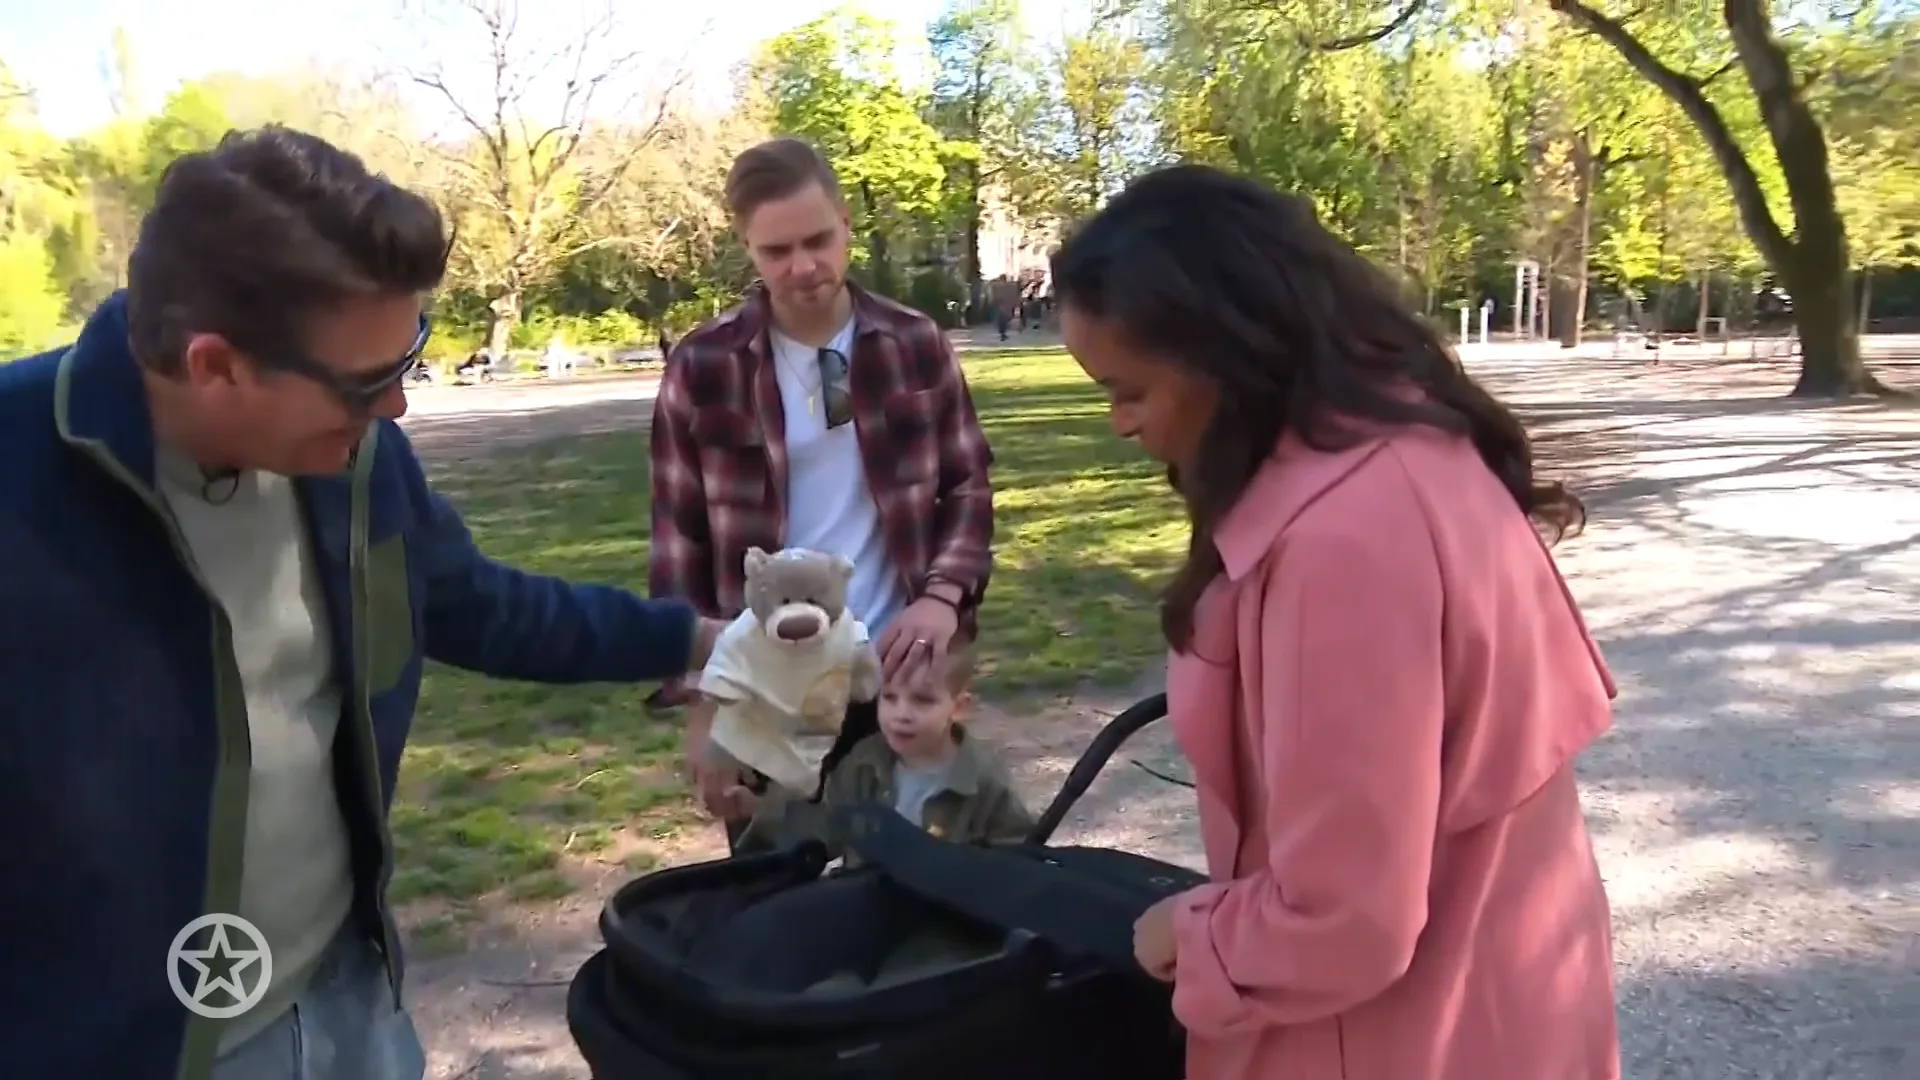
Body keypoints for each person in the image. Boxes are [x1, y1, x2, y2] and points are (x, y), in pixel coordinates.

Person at [0, 126, 724, 1080]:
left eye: (409, 359)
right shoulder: (20, 474)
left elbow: (476, 604)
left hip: (350, 1001)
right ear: (215, 365)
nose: (398, 409)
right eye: (366, 382)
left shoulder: (361, 460)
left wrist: (700, 638)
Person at [1051, 165, 1621, 1080]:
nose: (1119, 424)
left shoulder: (1340, 544)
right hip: (1500, 1004)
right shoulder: (1406, 443)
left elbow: (1342, 918)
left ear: (1225, 353)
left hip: (1407, 1035)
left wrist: (1189, 935)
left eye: (1128, 391)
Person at [647, 137, 996, 848]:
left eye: (818, 240)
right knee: (777, 908)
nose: (804, 267)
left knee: (920, 905)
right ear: (746, 246)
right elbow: (678, 542)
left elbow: (967, 484)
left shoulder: (913, 342)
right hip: (764, 683)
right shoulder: (703, 366)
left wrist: (941, 598)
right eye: (777, 251)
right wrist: (701, 706)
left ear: (846, 222)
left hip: (900, 672)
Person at [730, 634, 1034, 861]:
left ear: (958, 707)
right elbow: (823, 827)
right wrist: (759, 809)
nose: (901, 714)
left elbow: (1019, 856)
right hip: (866, 912)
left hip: (946, 926)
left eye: (922, 700)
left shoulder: (983, 782)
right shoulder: (863, 764)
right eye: (889, 697)